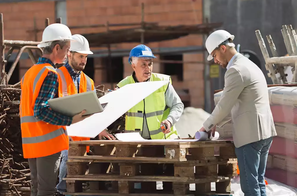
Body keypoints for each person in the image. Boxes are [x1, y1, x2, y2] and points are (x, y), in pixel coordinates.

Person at [199, 30, 277, 196]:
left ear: (223, 49)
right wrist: (216, 123)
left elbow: (224, 105)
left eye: (214, 55)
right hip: (264, 132)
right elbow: (239, 102)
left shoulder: (235, 70)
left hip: (250, 136)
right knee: (258, 182)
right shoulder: (248, 64)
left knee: (250, 187)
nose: (215, 60)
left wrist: (205, 127)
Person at [20, 24, 87, 196]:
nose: (67, 54)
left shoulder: (30, 73)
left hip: (31, 140)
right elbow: (41, 110)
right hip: (47, 143)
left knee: (37, 188)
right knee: (47, 191)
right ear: (57, 48)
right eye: (67, 49)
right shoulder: (50, 73)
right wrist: (71, 120)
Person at [55, 34, 115, 195]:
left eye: (86, 57)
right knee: (64, 186)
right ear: (69, 54)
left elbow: (92, 111)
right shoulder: (56, 76)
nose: (84, 60)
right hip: (62, 143)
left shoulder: (88, 82)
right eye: (80, 56)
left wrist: (101, 129)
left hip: (82, 144)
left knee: (76, 186)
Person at [116, 44, 184, 139]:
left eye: (150, 64)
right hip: (135, 142)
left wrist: (169, 120)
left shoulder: (162, 82)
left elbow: (178, 105)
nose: (148, 68)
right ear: (133, 65)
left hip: (162, 140)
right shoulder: (124, 86)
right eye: (143, 64)